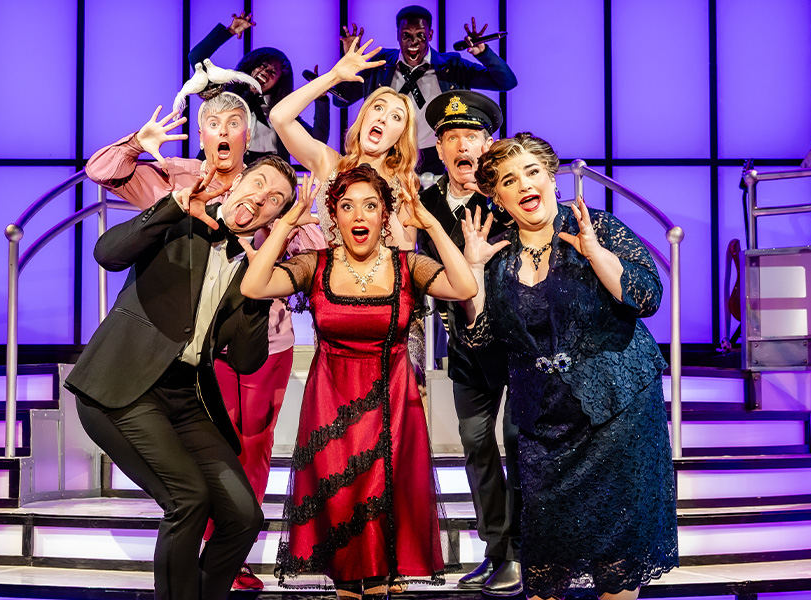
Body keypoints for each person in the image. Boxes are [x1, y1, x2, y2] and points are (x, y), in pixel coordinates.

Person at [86, 94, 327, 591]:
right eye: (256, 186)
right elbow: (107, 253)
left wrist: (262, 278)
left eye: (274, 202)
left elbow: (244, 358)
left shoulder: (253, 271)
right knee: (190, 500)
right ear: (237, 182)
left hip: (185, 396)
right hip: (125, 388)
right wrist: (171, 207)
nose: (258, 200)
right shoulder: (180, 213)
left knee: (243, 513)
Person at [239, 165, 476, 597]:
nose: (359, 215)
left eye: (370, 205)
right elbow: (254, 286)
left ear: (385, 215)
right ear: (335, 216)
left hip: (394, 406)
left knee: (386, 522)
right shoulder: (316, 263)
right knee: (342, 518)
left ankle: (384, 580)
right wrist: (287, 223)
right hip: (331, 405)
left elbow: (464, 286)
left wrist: (431, 223)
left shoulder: (408, 265)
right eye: (347, 207)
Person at [460, 133, 679, 600]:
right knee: (546, 568)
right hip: (546, 424)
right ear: (497, 197)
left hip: (618, 411)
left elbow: (648, 296)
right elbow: (481, 340)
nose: (524, 185)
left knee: (616, 561)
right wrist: (473, 275)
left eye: (533, 172)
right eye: (509, 180)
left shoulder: (596, 226)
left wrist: (596, 254)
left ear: (552, 179)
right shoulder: (496, 255)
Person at [415, 90, 520, 595]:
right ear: (438, 148)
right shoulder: (425, 204)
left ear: (488, 143)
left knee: (522, 444)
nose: (463, 146)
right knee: (477, 445)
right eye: (452, 137)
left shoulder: (506, 194)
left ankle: (524, 551)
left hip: (519, 342)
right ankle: (496, 551)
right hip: (465, 342)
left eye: (472, 136)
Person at [270, 39, 420, 251]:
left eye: (396, 117)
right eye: (378, 108)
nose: (383, 118)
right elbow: (279, 117)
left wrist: (384, 203)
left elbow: (405, 249)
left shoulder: (404, 186)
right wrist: (334, 76)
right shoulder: (330, 164)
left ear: (400, 137)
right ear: (363, 117)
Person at [332, 6, 518, 175]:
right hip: (389, 152)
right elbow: (341, 100)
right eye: (406, 35)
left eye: (420, 35)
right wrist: (350, 63)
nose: (413, 42)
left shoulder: (451, 66)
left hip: (435, 158)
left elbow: (506, 82)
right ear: (397, 35)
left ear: (430, 35)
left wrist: (483, 52)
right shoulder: (380, 64)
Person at [188, 12, 330, 162]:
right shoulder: (226, 92)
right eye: (262, 65)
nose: (265, 72)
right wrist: (229, 32)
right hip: (222, 171)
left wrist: (321, 98)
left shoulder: (281, 113)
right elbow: (196, 58)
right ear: (252, 66)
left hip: (270, 175)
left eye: (273, 72)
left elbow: (317, 141)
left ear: (278, 81)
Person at [85, 91, 253, 209]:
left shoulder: (262, 183)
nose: (223, 131)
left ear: (247, 138)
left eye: (233, 123)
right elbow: (98, 172)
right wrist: (134, 145)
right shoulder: (173, 175)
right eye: (214, 124)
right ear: (201, 138)